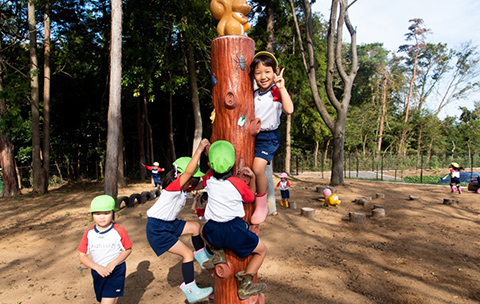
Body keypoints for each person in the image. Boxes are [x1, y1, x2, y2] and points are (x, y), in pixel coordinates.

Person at [146, 139, 213, 303]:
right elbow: (189, 173)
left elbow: (204, 182)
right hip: (157, 229)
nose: (194, 181)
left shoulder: (184, 188)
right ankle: (191, 289)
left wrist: (215, 163)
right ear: (183, 176)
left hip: (169, 223)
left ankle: (202, 256)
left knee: (195, 227)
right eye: (192, 177)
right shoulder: (173, 187)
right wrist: (198, 150)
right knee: (186, 254)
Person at [201, 140, 268, 300]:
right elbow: (250, 197)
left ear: (210, 163)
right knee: (262, 250)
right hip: (233, 231)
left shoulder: (208, 181)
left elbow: (211, 171)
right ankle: (245, 284)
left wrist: (209, 155)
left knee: (201, 230)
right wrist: (251, 178)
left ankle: (217, 252)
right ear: (233, 165)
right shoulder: (238, 183)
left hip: (212, 231)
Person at [249, 51, 294, 224]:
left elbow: (289, 110)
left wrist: (282, 87)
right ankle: (250, 200)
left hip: (268, 138)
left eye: (267, 71)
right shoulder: (252, 94)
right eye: (258, 72)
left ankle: (262, 205)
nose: (263, 76)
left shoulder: (276, 92)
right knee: (248, 169)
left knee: (258, 169)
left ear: (275, 72)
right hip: (252, 136)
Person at [77, 195, 133, 304]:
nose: (102, 217)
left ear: (113, 213)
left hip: (116, 271)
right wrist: (97, 268)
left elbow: (127, 249)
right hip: (97, 271)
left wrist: (113, 264)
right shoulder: (89, 233)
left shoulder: (119, 231)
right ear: (92, 215)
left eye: (106, 213)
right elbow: (82, 255)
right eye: (97, 214)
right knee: (101, 298)